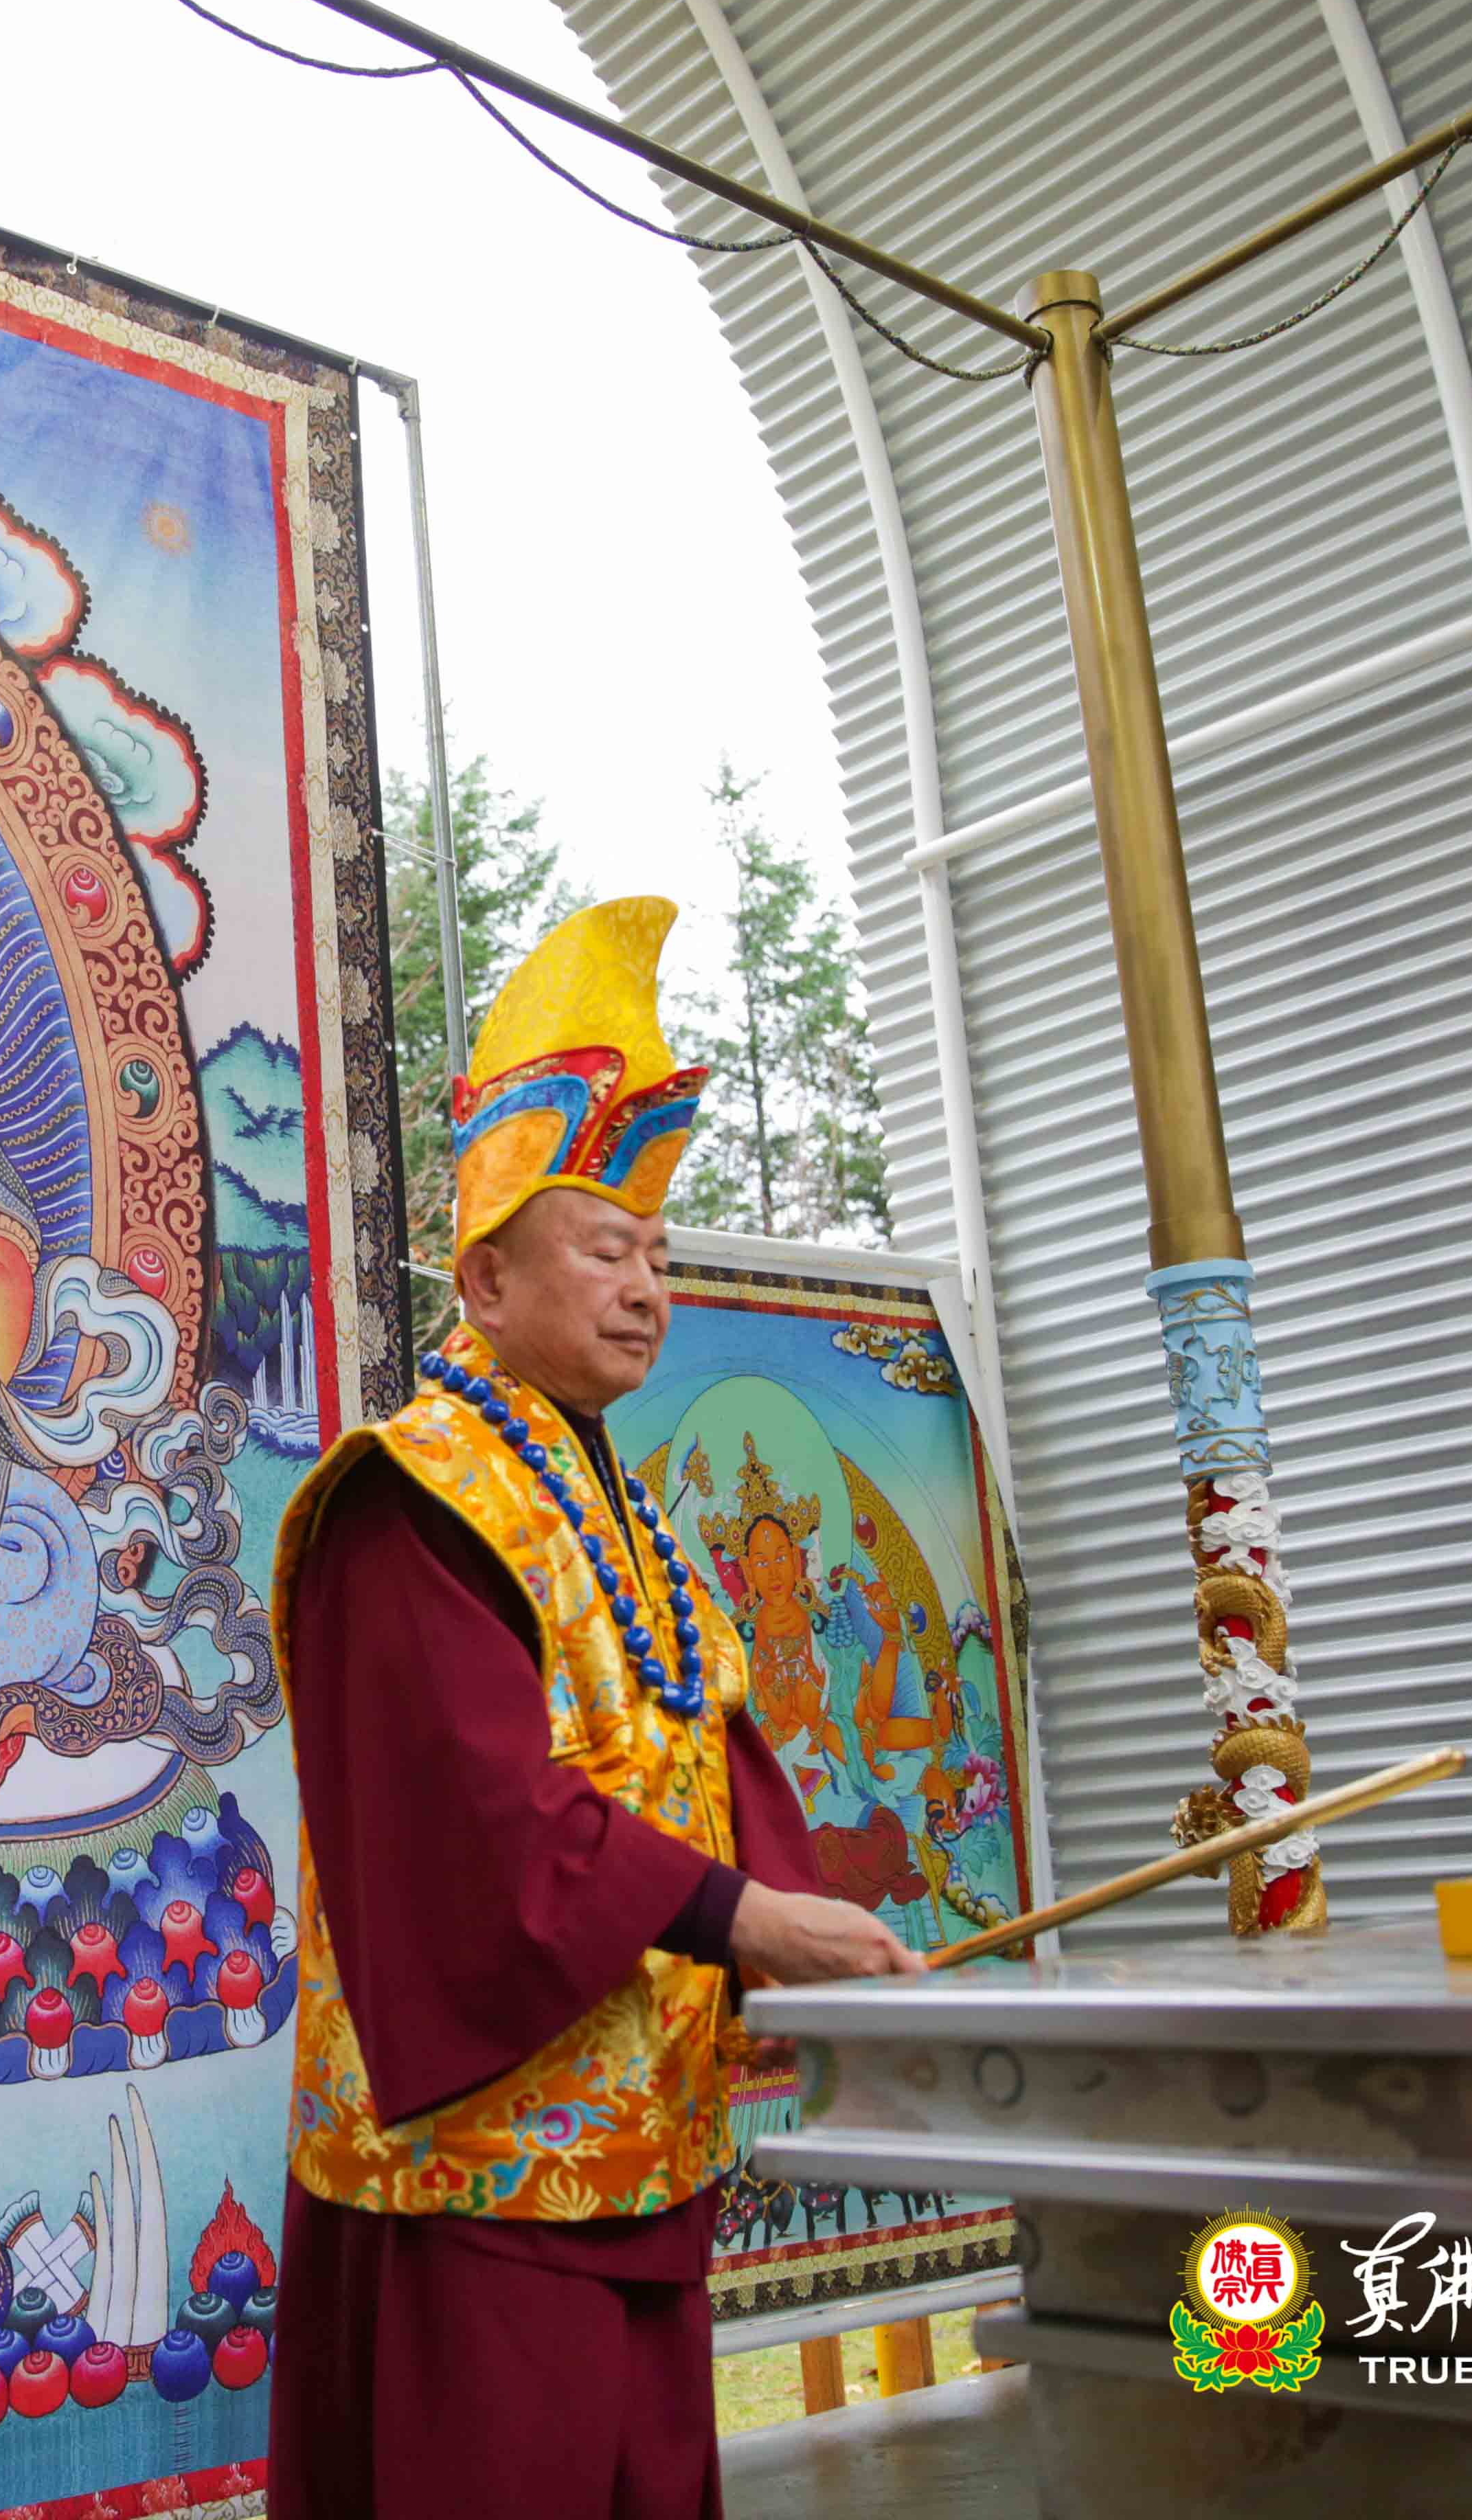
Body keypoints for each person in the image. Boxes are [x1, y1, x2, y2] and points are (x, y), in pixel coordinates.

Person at [266, 897, 922, 2519]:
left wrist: (810, 1943)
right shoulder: (415, 1501)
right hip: (485, 2177)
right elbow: (477, 1824)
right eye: (608, 1251)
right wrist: (741, 1918)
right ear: (485, 1277)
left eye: (660, 1257)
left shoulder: (624, 1515)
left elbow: (710, 1763)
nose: (648, 1291)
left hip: (649, 2149)